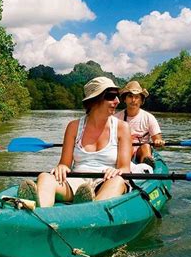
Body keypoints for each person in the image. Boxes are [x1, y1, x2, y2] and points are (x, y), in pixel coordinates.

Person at [18, 77, 132, 208]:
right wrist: (62, 167)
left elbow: (125, 168)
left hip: (107, 181)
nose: (117, 101)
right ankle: (38, 211)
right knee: (45, 177)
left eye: (117, 96)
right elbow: (65, 164)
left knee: (118, 181)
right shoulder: (73, 127)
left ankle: (89, 210)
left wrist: (117, 171)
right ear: (94, 100)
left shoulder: (122, 128)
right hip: (77, 182)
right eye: (111, 96)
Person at [114, 81, 164, 168]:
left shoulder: (149, 117)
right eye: (130, 96)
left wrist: (158, 141)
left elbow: (157, 138)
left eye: (137, 97)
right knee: (126, 147)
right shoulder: (115, 118)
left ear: (141, 101)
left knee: (145, 146)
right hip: (123, 150)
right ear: (124, 99)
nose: (133, 100)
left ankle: (146, 165)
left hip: (141, 151)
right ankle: (124, 166)